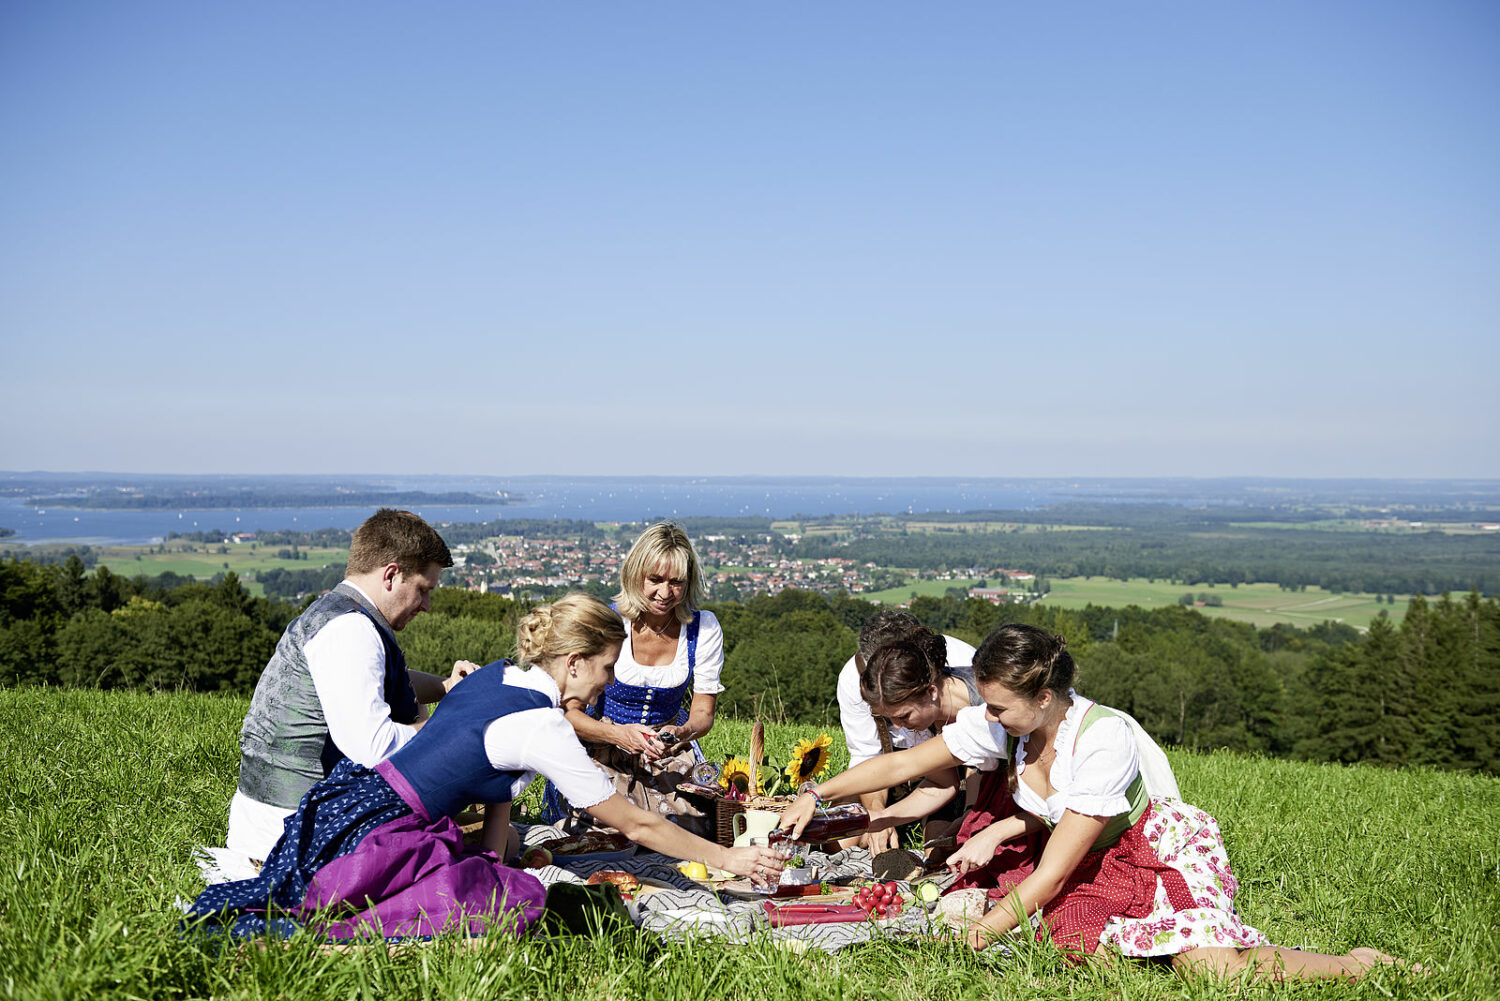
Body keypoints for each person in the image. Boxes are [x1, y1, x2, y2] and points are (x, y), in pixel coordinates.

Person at [780, 624, 1406, 980]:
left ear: (1046, 696)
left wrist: (983, 934)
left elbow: (1051, 872)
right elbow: (903, 762)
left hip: (1148, 851)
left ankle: (1358, 965)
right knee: (1081, 950)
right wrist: (813, 793)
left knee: (1212, 971)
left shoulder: (1103, 738)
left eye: (997, 707)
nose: (985, 717)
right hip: (1078, 855)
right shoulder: (1004, 723)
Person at [187, 593, 784, 941]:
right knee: (519, 902)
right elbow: (635, 824)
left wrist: (493, 859)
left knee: (501, 878)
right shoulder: (545, 725)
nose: (605, 684)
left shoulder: (500, 675)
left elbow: (500, 785)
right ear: (574, 664)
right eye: (604, 670)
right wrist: (729, 858)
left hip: (351, 803)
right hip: (384, 836)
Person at [227, 508, 465, 861]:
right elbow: (372, 747)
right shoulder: (350, 631)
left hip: (283, 820)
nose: (427, 605)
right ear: (391, 575)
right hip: (294, 836)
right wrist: (457, 730)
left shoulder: (341, 614)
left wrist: (446, 687)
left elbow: (381, 682)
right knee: (494, 840)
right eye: (423, 590)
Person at [542, 523, 724, 837]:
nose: (665, 593)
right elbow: (565, 713)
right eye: (655, 580)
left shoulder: (702, 628)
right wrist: (617, 735)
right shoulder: (607, 624)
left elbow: (703, 715)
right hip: (601, 743)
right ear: (635, 574)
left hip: (665, 751)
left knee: (690, 824)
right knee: (602, 828)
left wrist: (680, 732)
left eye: (676, 582)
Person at [836, 610, 978, 851]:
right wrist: (878, 815)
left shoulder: (966, 671)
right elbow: (869, 756)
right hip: (894, 770)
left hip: (959, 770)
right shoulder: (854, 679)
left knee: (941, 845)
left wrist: (971, 817)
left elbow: (975, 766)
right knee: (844, 838)